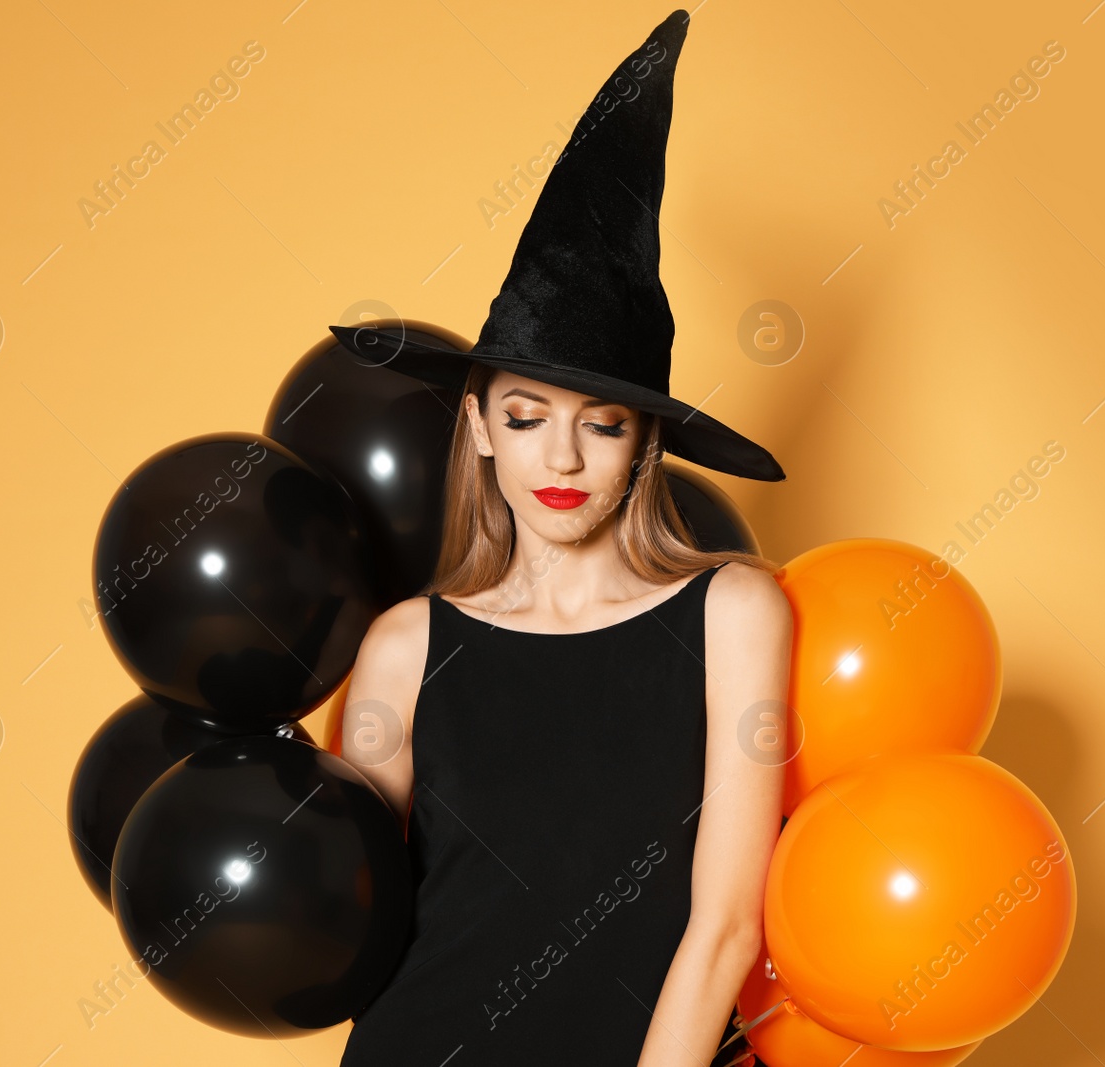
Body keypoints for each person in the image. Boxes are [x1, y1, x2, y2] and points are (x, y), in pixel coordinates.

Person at [331, 10, 792, 1065]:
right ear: (480, 426)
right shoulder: (404, 646)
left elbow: (725, 925)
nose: (564, 460)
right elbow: (355, 911)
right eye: (529, 416)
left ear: (644, 449)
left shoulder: (734, 614)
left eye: (604, 424)